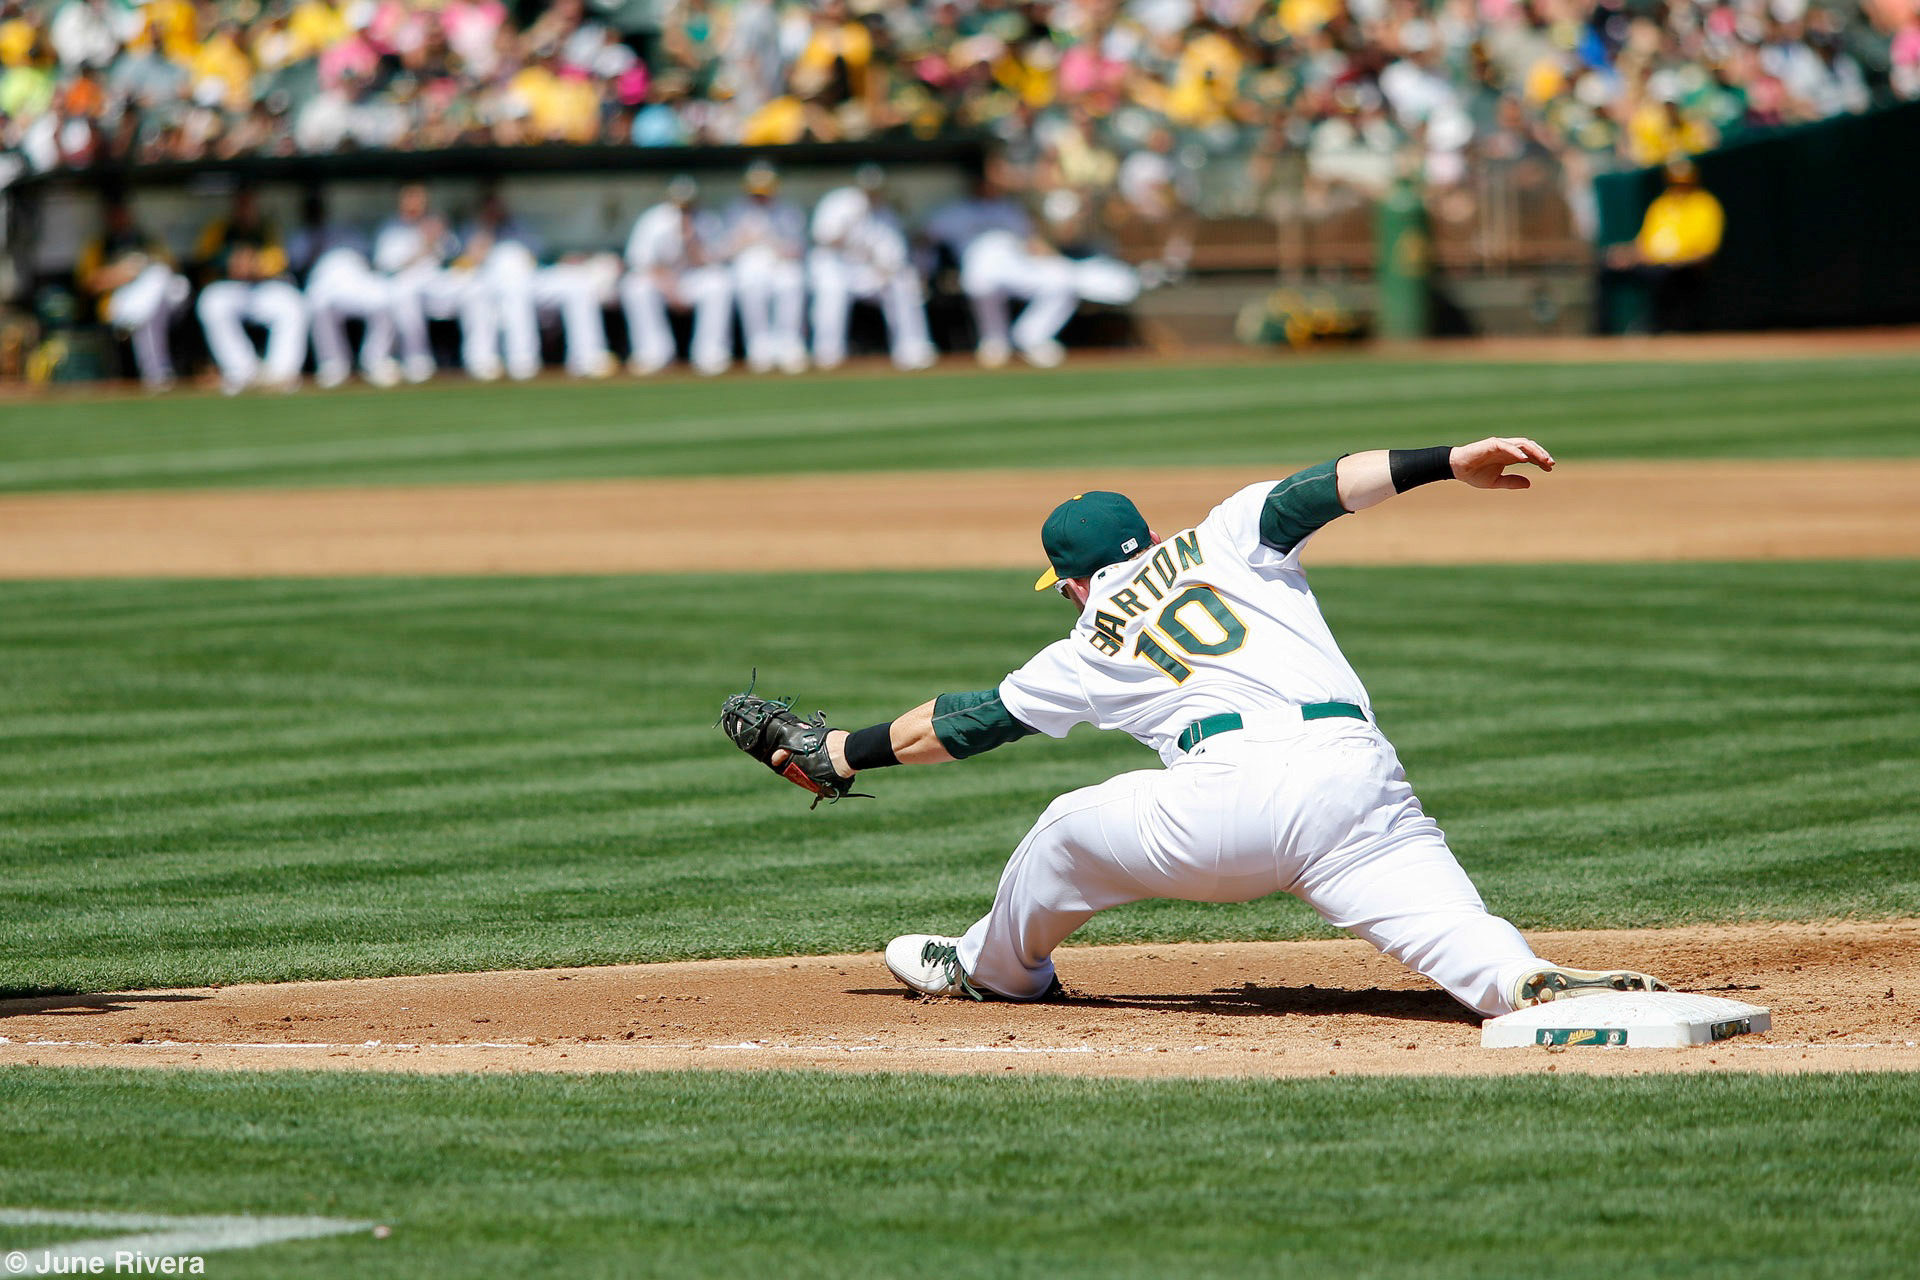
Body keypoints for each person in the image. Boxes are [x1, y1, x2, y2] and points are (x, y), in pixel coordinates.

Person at [786, 439, 1669, 1015]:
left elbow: (966, 723)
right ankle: (1522, 982)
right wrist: (1447, 461)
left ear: (1073, 584)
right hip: (1358, 780)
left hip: (1224, 807)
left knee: (1062, 829)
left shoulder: (1087, 636)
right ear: (1149, 537)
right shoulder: (1224, 532)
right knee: (1450, 927)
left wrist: (838, 754)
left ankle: (994, 969)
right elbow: (1320, 489)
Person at [922, 171, 1081, 368]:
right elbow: (924, 238)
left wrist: (1056, 258)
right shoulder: (955, 211)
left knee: (1063, 278)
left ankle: (1032, 337)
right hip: (979, 266)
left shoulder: (1010, 209)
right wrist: (926, 268)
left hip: (1016, 266)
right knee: (980, 282)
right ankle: (994, 341)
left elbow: (1032, 242)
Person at [461, 188, 616, 380]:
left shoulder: (517, 226)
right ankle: (520, 361)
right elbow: (468, 260)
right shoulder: (473, 228)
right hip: (489, 281)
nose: (496, 210)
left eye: (498, 205)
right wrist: (486, 233)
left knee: (577, 284)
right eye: (490, 206)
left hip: (530, 276)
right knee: (509, 290)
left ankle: (588, 357)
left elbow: (538, 254)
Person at [807, 164, 936, 371]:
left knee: (903, 282)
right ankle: (827, 353)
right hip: (835, 267)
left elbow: (893, 254)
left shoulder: (886, 214)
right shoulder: (839, 202)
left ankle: (912, 348)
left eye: (875, 190)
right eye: (867, 189)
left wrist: (886, 269)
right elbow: (823, 239)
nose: (872, 194)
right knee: (832, 290)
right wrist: (849, 226)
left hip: (868, 272)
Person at [373, 182, 497, 381]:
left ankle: (481, 359)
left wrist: (443, 237)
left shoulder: (435, 222)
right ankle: (417, 360)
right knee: (403, 293)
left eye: (419, 198)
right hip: (406, 281)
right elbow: (387, 267)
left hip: (436, 280)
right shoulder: (391, 228)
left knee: (476, 289)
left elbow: (454, 257)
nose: (416, 203)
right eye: (411, 197)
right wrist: (424, 243)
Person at [194, 186, 309, 394]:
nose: (245, 210)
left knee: (292, 302)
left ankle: (281, 374)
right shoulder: (220, 229)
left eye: (249, 205)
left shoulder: (266, 229)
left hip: (261, 287)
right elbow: (204, 259)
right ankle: (243, 372)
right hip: (229, 288)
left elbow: (279, 260)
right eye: (241, 205)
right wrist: (228, 262)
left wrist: (255, 265)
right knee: (211, 302)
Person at [619, 174, 733, 376]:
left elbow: (713, 261)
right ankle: (653, 353)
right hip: (661, 281)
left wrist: (691, 239)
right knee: (635, 286)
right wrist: (669, 285)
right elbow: (640, 262)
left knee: (719, 283)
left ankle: (710, 353)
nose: (684, 208)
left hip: (693, 279)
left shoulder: (707, 220)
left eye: (688, 203)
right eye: (680, 203)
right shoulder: (654, 219)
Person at [288, 189, 403, 389]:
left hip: (356, 278)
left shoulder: (344, 229)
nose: (316, 212)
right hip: (323, 281)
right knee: (317, 303)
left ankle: (376, 361)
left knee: (386, 297)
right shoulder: (301, 236)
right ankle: (333, 364)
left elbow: (368, 258)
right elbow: (296, 267)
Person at [75, 194, 188, 390]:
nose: (120, 218)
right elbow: (88, 283)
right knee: (152, 302)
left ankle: (157, 373)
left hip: (151, 304)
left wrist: (144, 266)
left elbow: (172, 268)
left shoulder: (145, 240)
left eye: (123, 213)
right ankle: (157, 373)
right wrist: (121, 274)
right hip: (117, 304)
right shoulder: (101, 245)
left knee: (166, 282)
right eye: (115, 215)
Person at [1601, 159, 1725, 333]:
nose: (1679, 188)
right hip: (1654, 263)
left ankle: (1659, 327)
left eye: (1684, 183)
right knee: (1608, 269)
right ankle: (1605, 333)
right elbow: (1643, 245)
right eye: (1675, 183)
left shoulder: (1705, 205)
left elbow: (1706, 251)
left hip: (1684, 267)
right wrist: (1625, 255)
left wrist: (1677, 261)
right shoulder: (1661, 205)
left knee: (1662, 274)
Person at [721, 160, 808, 373]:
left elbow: (797, 249)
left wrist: (774, 243)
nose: (761, 197)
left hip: (780, 263)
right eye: (756, 192)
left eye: (765, 192)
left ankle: (789, 345)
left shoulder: (789, 211)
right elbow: (724, 250)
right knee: (751, 282)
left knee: (792, 280)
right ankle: (759, 347)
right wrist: (746, 240)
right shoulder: (735, 210)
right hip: (749, 262)